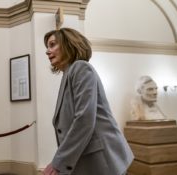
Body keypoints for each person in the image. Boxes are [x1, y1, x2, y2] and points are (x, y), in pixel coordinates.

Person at [43, 28, 134, 175]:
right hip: (88, 158)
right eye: (47, 46)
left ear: (68, 44)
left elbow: (84, 120)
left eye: (52, 44)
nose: (47, 51)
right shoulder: (69, 73)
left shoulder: (81, 68)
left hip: (101, 160)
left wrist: (58, 162)